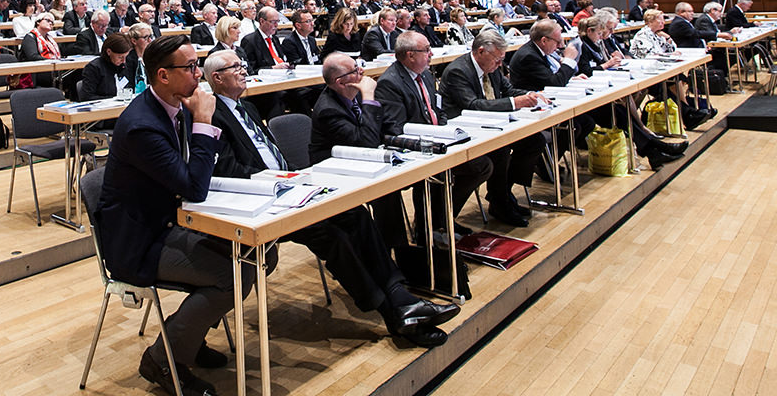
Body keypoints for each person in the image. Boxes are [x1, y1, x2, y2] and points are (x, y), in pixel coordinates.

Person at [204, 50, 459, 348]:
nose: (244, 70)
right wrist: (281, 181)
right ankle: (394, 313)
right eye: (236, 66)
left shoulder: (244, 105)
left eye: (242, 64)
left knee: (357, 214)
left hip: (292, 186)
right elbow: (228, 169)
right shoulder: (211, 114)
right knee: (332, 234)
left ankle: (400, 295)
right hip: (265, 199)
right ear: (217, 78)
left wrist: (294, 178)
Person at [94, 35, 272, 396]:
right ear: (163, 75)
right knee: (233, 274)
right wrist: (204, 121)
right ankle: (164, 360)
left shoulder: (171, 106)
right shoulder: (143, 125)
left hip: (169, 222)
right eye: (190, 68)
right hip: (138, 241)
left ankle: (188, 334)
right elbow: (194, 187)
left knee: (255, 254)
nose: (197, 75)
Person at [373, 31, 493, 246]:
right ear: (410, 55)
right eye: (426, 50)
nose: (431, 54)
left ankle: (442, 219)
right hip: (416, 148)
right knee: (439, 174)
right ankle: (426, 229)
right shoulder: (390, 83)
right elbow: (395, 128)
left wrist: (445, 129)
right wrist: (432, 135)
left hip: (439, 139)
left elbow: (439, 107)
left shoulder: (426, 74)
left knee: (482, 164)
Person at [438, 31, 545, 227]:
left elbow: (508, 90)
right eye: (497, 59)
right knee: (500, 152)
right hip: (464, 130)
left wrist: (531, 95)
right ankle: (500, 202)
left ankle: (503, 193)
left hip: (492, 125)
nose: (499, 64)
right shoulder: (458, 71)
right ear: (481, 52)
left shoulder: (492, 67)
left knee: (534, 141)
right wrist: (514, 102)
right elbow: (472, 104)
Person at [508, 19, 579, 92]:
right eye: (557, 42)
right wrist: (568, 60)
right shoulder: (529, 57)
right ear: (544, 41)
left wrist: (569, 79)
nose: (559, 46)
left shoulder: (539, 50)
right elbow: (554, 85)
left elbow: (551, 77)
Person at [79, 34, 136, 101]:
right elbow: (87, 97)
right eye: (120, 57)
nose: (123, 61)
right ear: (109, 52)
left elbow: (130, 88)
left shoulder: (124, 66)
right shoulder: (94, 68)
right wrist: (114, 99)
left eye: (125, 57)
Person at [238, 7, 290, 72]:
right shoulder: (249, 41)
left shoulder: (275, 38)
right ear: (262, 21)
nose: (276, 25)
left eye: (278, 21)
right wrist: (273, 68)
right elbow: (251, 70)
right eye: (273, 22)